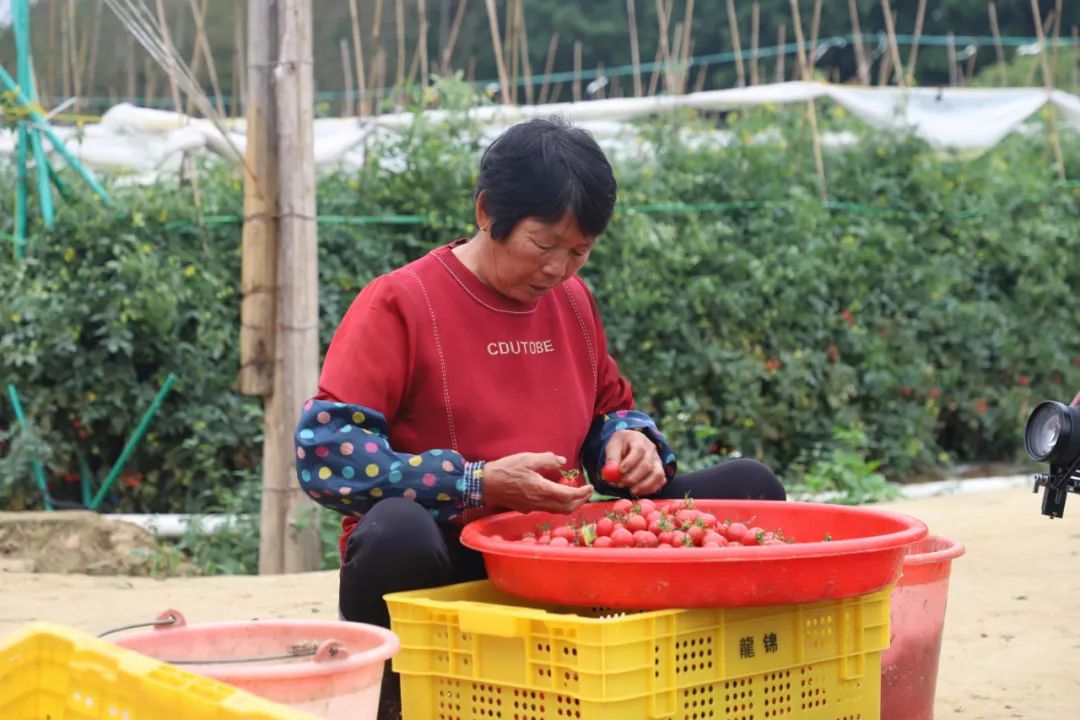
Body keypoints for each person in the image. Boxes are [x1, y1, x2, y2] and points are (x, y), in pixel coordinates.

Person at [293, 116, 785, 719]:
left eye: (579, 250)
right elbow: (327, 454)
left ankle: (697, 684)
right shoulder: (401, 301)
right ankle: (399, 698)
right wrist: (474, 482)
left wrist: (630, 443)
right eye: (544, 244)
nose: (559, 268)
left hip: (560, 553)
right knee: (396, 530)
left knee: (750, 487)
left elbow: (611, 410)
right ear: (486, 212)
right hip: (451, 564)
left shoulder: (573, 303)